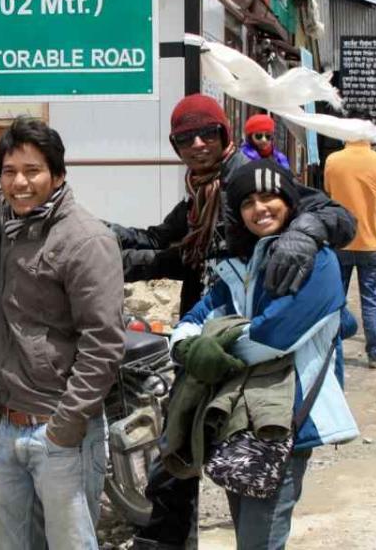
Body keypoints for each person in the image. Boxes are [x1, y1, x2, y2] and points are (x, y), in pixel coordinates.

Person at [108, 94, 356, 550]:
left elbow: (334, 215)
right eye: (186, 137)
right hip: (207, 329)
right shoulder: (198, 195)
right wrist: (103, 241)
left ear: (226, 134)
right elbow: (170, 248)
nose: (198, 143)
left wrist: (302, 235)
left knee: (245, 476)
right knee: (187, 448)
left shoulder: (249, 179)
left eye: (208, 133)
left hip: (262, 361)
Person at [169, 159, 358, 549]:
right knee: (250, 536)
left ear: (290, 202)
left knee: (260, 540)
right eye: (248, 201)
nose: (260, 208)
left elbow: (275, 335)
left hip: (287, 420)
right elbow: (195, 318)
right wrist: (187, 345)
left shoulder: (319, 261)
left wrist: (215, 345)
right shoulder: (239, 264)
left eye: (270, 196)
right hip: (237, 418)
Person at [0, 117, 125, 550]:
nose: (19, 182)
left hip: (60, 431)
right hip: (9, 428)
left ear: (58, 175)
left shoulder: (86, 241)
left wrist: (65, 428)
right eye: (10, 172)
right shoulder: (13, 212)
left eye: (32, 171)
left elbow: (103, 344)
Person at [324, 137, 376, 368]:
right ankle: (375, 354)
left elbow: (329, 192)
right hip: (370, 242)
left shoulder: (332, 161)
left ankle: (331, 349)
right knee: (371, 301)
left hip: (340, 242)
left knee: (336, 300)